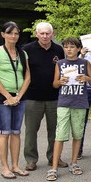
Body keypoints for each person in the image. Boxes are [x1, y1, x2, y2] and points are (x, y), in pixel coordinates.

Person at [47, 37, 91, 181]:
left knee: (77, 135)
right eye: (66, 47)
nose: (69, 49)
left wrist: (86, 78)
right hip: (63, 103)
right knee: (60, 135)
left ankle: (74, 163)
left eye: (72, 47)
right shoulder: (60, 63)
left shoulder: (85, 63)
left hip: (80, 103)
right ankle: (54, 167)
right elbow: (55, 84)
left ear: (79, 49)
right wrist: (60, 81)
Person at [23, 22, 66, 171]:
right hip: (32, 97)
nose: (45, 36)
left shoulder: (59, 50)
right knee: (30, 131)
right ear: (36, 34)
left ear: (52, 34)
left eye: (48, 33)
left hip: (54, 97)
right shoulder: (27, 49)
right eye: (42, 33)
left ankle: (53, 158)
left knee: (54, 131)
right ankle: (31, 159)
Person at [0, 22, 31, 179]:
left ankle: (15, 165)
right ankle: (5, 168)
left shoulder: (22, 54)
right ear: (3, 34)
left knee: (16, 132)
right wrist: (8, 96)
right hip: (3, 97)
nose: (13, 36)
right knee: (5, 132)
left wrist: (18, 96)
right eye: (10, 33)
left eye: (16, 33)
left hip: (19, 97)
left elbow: (28, 77)